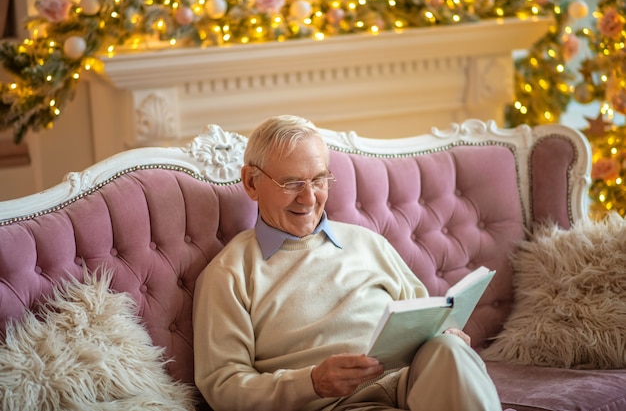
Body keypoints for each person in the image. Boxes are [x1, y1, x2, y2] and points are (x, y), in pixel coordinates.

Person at [193, 115, 502, 411]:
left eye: (318, 180)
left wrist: (449, 333)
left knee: (448, 350)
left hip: (413, 382)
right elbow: (224, 386)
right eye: (292, 184)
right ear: (251, 182)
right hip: (341, 405)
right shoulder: (229, 274)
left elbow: (427, 319)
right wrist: (311, 383)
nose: (310, 199)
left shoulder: (368, 242)